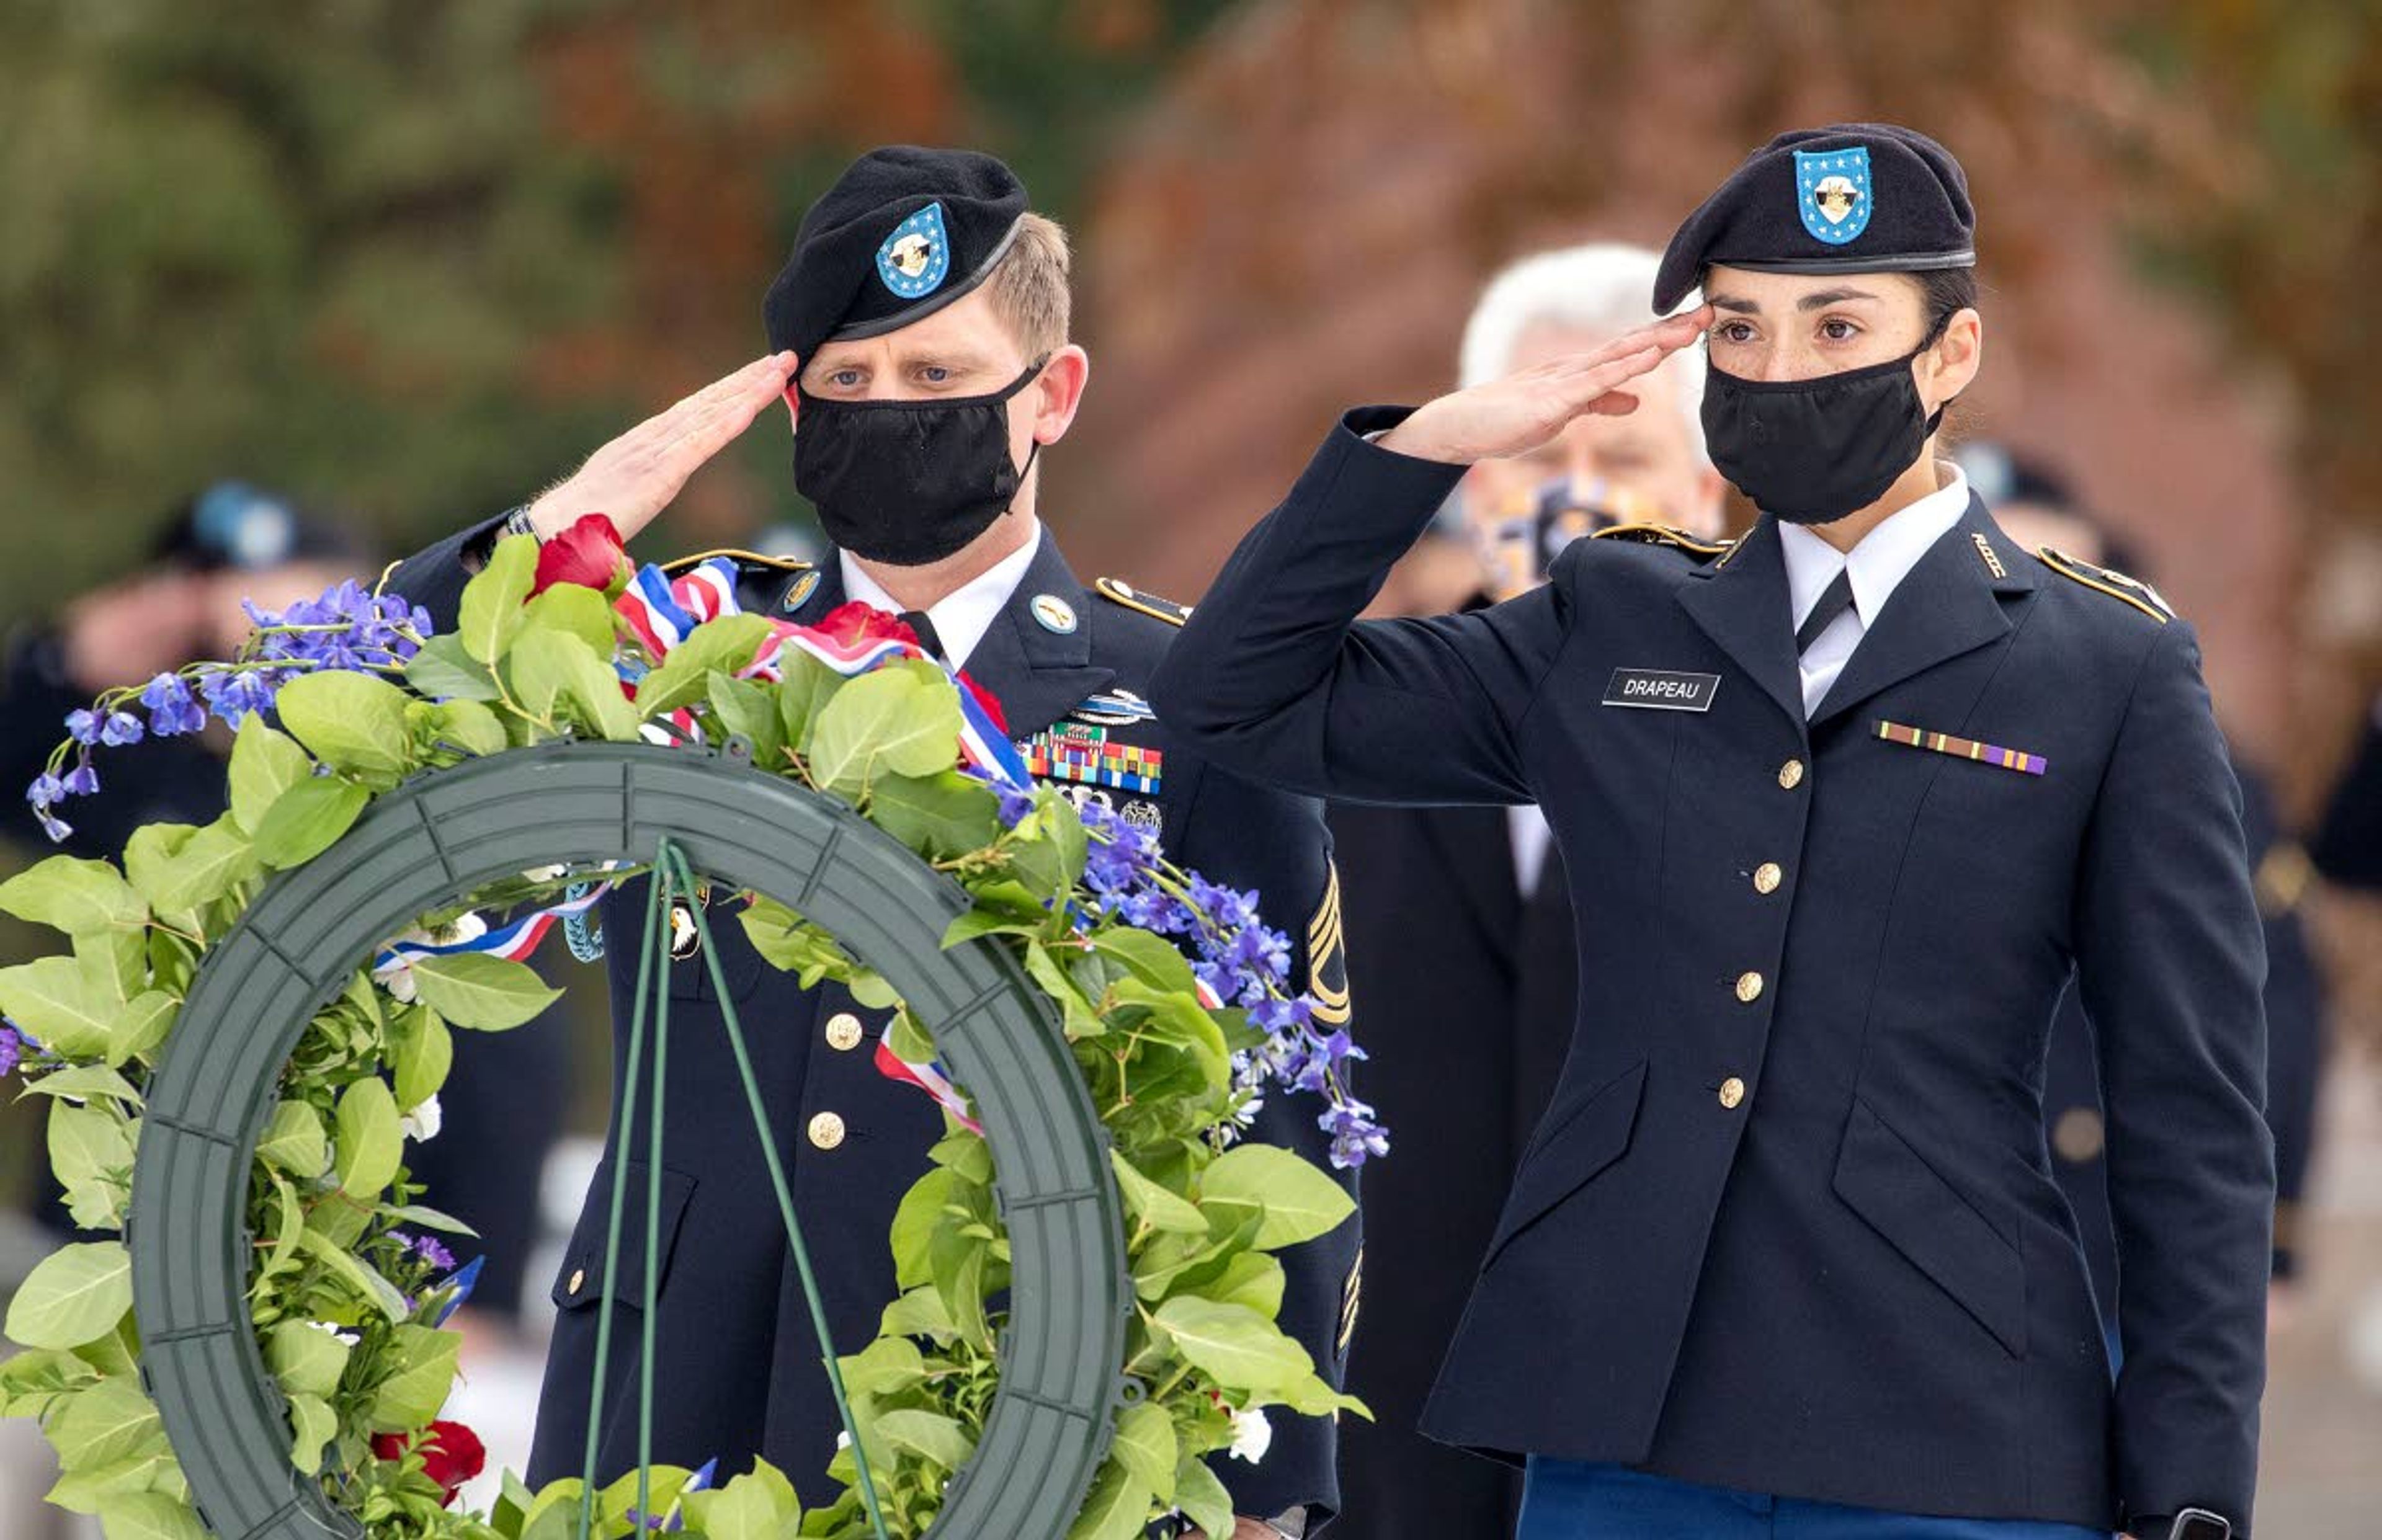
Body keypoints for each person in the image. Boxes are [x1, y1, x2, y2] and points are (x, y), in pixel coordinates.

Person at [1153, 123, 2270, 1540]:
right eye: (1740, 328)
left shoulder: (2103, 669)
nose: (1785, 369)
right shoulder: (1613, 621)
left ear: (1952, 356)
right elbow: (1231, 699)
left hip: (1953, 1430)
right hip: (1623, 1429)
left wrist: (2190, 1490)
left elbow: (2193, 1111)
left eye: (1840, 325)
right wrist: (1424, 450)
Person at [390, 147, 1358, 1539]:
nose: (890, 412)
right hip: (671, 1400)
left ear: (1054, 395)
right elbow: (359, 701)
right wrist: (560, 522)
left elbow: (1294, 1105)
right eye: (845, 382)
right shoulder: (676, 655)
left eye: (939, 378)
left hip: (1018, 1408)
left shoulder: (1190, 705)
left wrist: (1261, 1497)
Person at [1331, 241, 1716, 1540]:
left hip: (1675, 1417)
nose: (1583, 499)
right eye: (1548, 458)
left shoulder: (1787, 748)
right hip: (1385, 1406)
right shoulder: (1343, 726)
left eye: (1629, 463)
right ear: (1480, 476)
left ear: (1712, 489)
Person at [1955, 443, 2328, 1321]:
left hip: (2110, 1248)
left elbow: (2268, 1003)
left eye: (2052, 572)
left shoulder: (2193, 769)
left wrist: (2269, 1235)